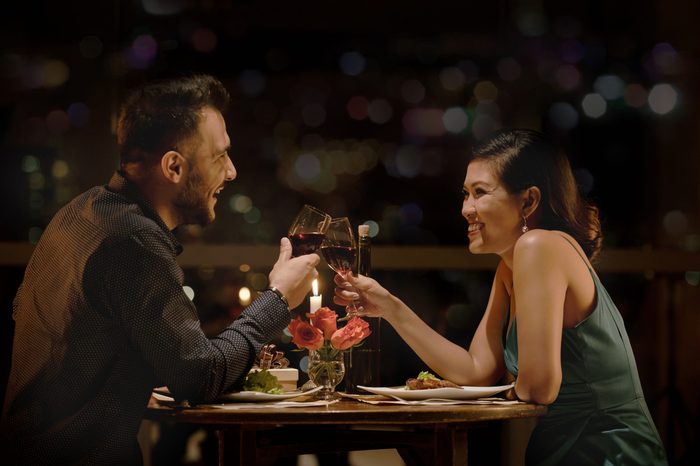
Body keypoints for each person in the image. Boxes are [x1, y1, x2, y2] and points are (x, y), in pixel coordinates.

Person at [1, 74, 320, 465]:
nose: (232, 172)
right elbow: (200, 377)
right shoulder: (133, 243)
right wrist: (278, 298)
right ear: (173, 167)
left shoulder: (81, 212)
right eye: (220, 156)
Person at [334, 129, 668, 465]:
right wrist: (389, 306)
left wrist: (500, 393)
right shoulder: (511, 266)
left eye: (480, 193)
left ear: (528, 201)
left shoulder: (539, 247)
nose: (466, 208)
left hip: (607, 453)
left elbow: (539, 388)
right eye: (464, 194)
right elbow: (476, 370)